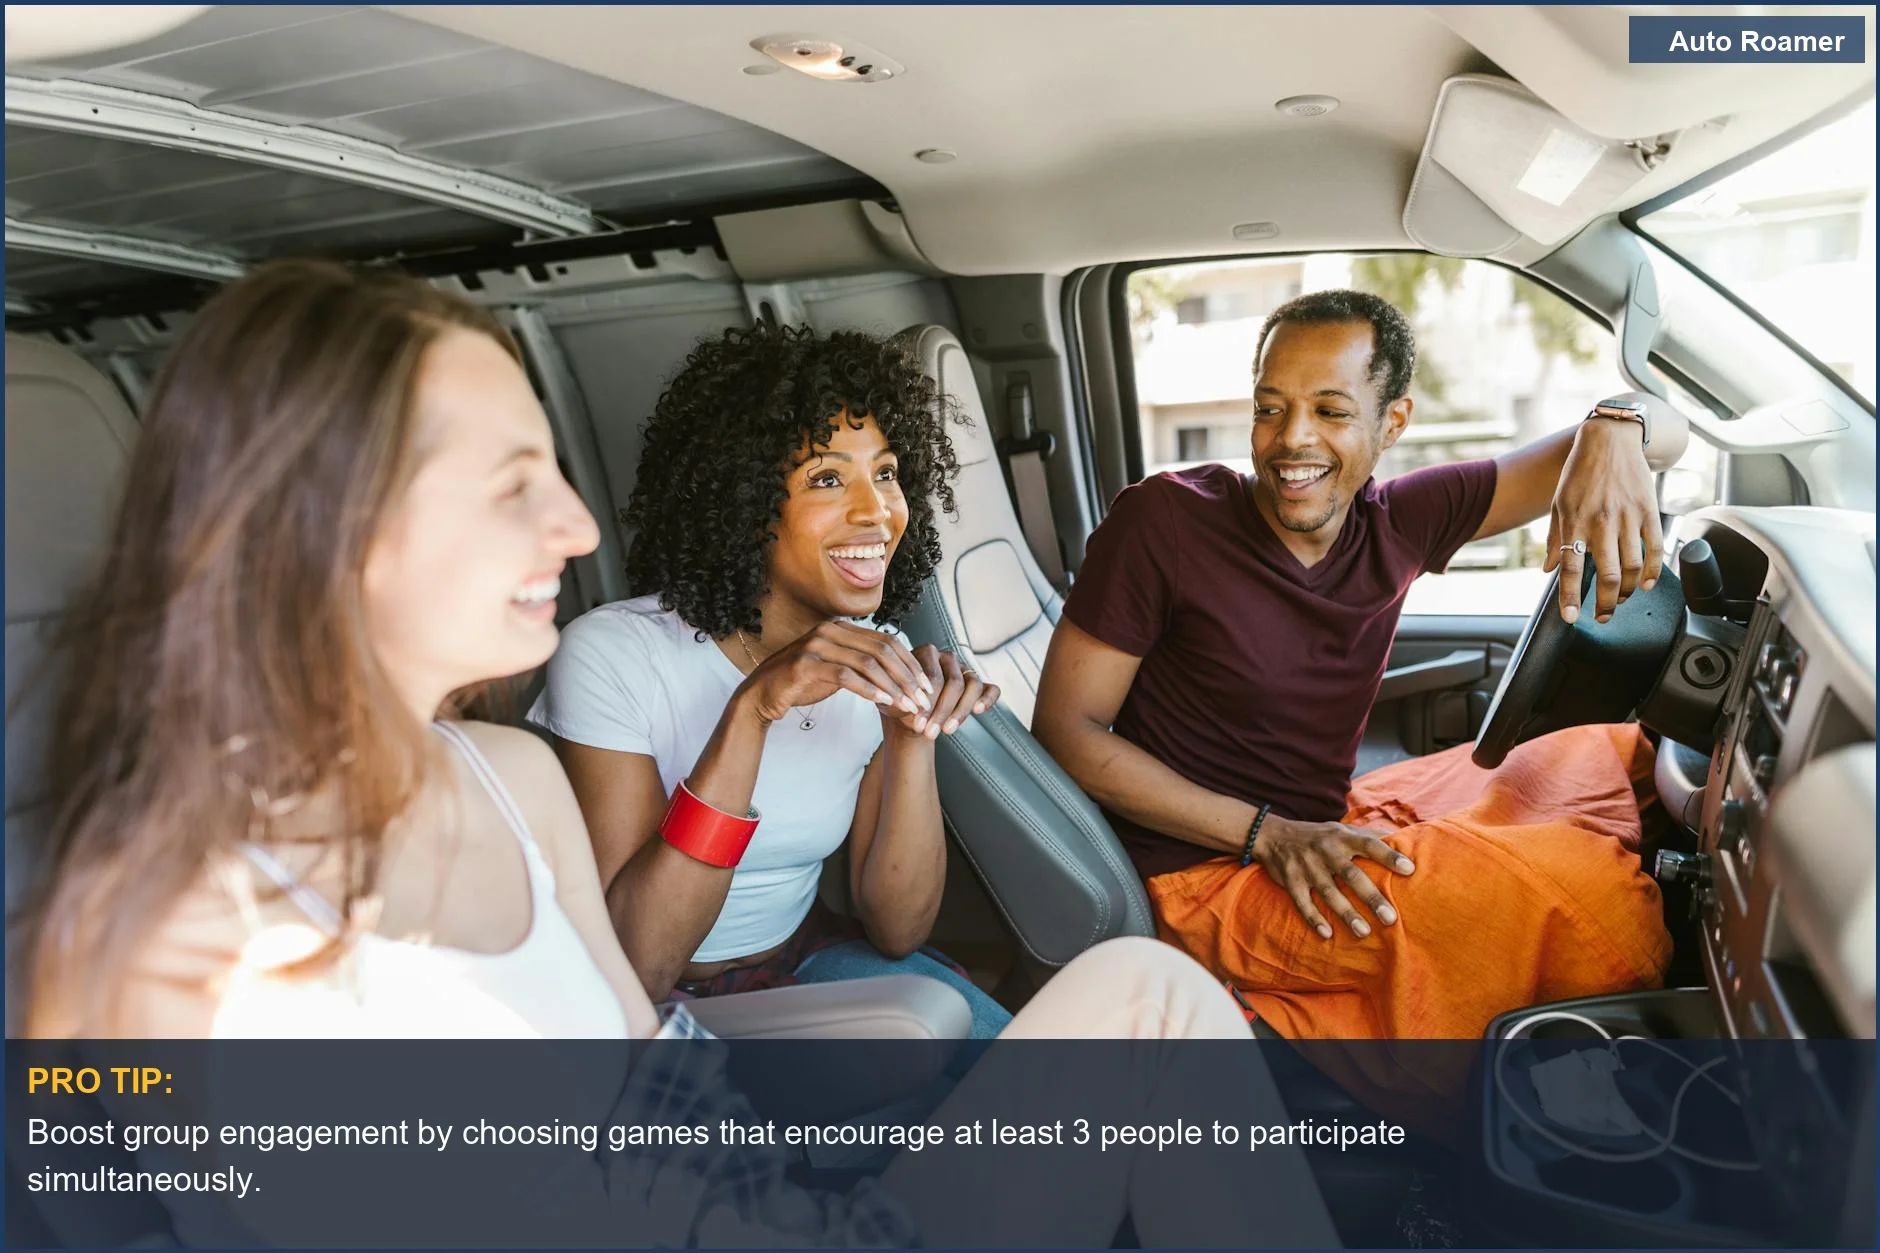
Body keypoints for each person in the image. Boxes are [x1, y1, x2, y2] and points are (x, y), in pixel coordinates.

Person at [18, 261, 1335, 1247]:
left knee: (1144, 994)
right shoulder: (173, 927)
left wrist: (906, 742)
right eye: (507, 479)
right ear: (315, 518)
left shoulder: (509, 778)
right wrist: (751, 718)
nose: (577, 522)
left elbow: (675, 1076)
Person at [1033, 289, 1684, 1076]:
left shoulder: (1404, 520)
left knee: (1605, 754)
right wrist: (1264, 831)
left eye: (1331, 411)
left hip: (1318, 824)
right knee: (1592, 901)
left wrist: (1617, 425)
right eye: (1270, 408)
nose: (1290, 440)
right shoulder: (1165, 523)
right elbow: (1067, 732)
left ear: (1393, 423)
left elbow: (1665, 431)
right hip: (1202, 877)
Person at [529, 323, 1011, 1037]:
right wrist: (752, 710)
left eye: (885, 472)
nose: (877, 510)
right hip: (650, 1008)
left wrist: (911, 740)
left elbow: (898, 930)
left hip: (807, 963)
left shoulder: (878, 655)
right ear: (745, 504)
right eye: (826, 478)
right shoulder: (611, 654)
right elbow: (640, 960)